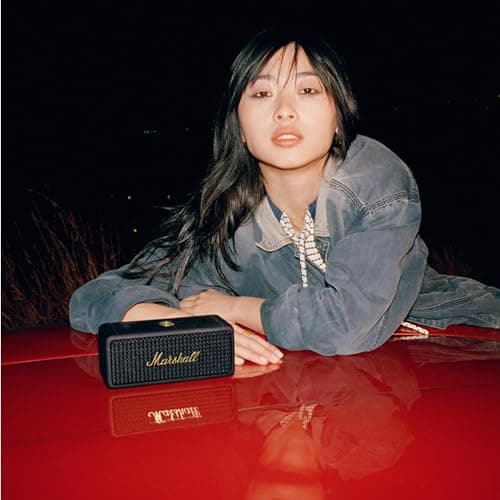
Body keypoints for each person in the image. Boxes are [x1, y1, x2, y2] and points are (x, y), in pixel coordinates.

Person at [69, 25, 500, 365]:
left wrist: (235, 308)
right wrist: (167, 320)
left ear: (338, 114)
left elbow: (345, 326)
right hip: (289, 394)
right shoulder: (224, 219)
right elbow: (94, 297)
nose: (284, 110)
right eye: (261, 93)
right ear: (239, 125)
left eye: (308, 90)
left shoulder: (376, 184)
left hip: (451, 346)